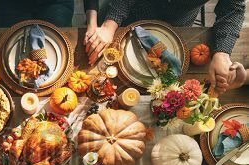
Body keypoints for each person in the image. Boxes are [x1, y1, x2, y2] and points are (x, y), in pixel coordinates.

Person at [82, 0, 246, 95]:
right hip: (129, 10)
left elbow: (233, 8)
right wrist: (110, 24)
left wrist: (222, 53)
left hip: (177, 25)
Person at [0, 0, 74, 28]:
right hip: (10, 4)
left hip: (56, 3)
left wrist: (87, 22)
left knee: (60, 48)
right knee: (6, 50)